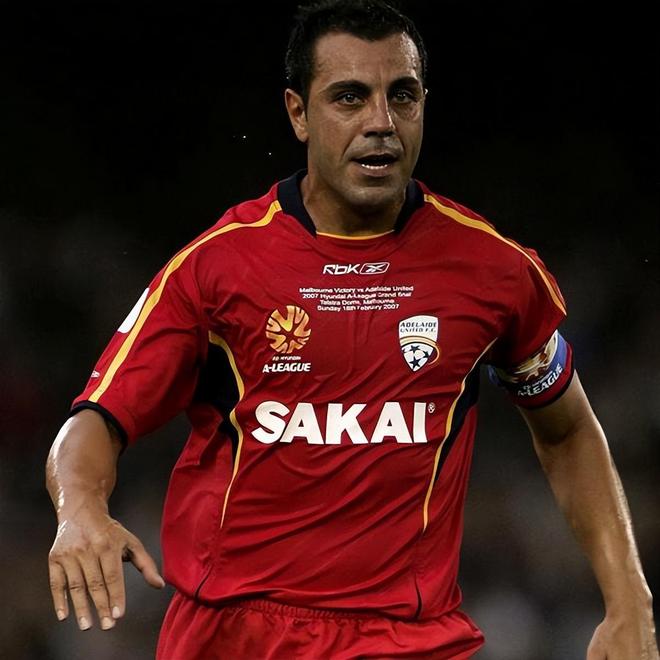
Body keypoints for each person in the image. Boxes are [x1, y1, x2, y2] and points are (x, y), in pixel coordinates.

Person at [46, 1, 658, 658]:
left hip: (410, 640)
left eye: (402, 96)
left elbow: (567, 430)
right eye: (349, 97)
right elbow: (97, 419)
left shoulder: (494, 270)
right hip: (233, 635)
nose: (381, 122)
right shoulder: (217, 266)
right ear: (298, 113)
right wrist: (79, 508)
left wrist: (629, 600)